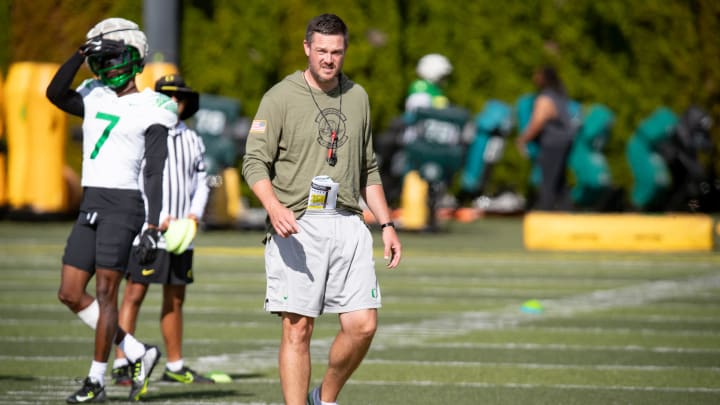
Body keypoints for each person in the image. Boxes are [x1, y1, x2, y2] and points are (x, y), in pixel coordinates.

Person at [241, 13, 402, 405]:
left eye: (337, 52)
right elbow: (253, 162)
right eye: (322, 51)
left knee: (363, 325)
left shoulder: (358, 96)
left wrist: (387, 223)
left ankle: (324, 398)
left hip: (348, 222)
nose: (329, 59)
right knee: (298, 330)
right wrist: (273, 206)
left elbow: (369, 169)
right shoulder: (279, 96)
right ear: (307, 49)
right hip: (296, 223)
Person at [45, 17, 177, 403]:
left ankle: (97, 380)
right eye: (104, 60)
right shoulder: (93, 92)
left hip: (124, 205)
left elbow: (154, 171)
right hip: (91, 202)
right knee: (70, 292)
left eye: (117, 58)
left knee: (105, 292)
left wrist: (152, 223)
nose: (111, 68)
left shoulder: (156, 105)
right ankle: (138, 351)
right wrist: (80, 53)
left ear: (136, 58)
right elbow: (55, 93)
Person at [111, 74, 214, 386]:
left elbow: (202, 182)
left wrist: (194, 215)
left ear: (184, 103)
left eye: (177, 97)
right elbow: (138, 181)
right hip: (149, 230)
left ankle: (175, 364)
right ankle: (122, 365)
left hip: (182, 233)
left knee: (176, 298)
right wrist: (161, 215)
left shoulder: (193, 139)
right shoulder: (144, 134)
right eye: (166, 96)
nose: (172, 102)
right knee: (134, 294)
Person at [515, 65, 576, 211]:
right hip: (564, 142)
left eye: (537, 75)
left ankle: (545, 212)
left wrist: (523, 139)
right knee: (559, 182)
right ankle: (567, 211)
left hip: (553, 143)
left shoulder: (545, 98)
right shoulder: (560, 96)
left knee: (547, 182)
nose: (534, 78)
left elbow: (538, 121)